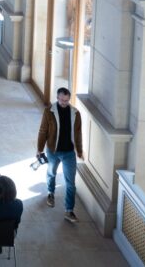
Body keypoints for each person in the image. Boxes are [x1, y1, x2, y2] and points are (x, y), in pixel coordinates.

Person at [37, 87, 84, 223]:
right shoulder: (49, 111)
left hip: (69, 153)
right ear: (57, 98)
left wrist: (79, 150)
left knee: (71, 183)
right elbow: (43, 130)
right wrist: (39, 149)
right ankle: (50, 193)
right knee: (51, 173)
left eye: (66, 100)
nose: (64, 102)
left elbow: (78, 133)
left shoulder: (76, 113)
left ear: (69, 99)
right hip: (53, 151)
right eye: (62, 100)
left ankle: (69, 210)